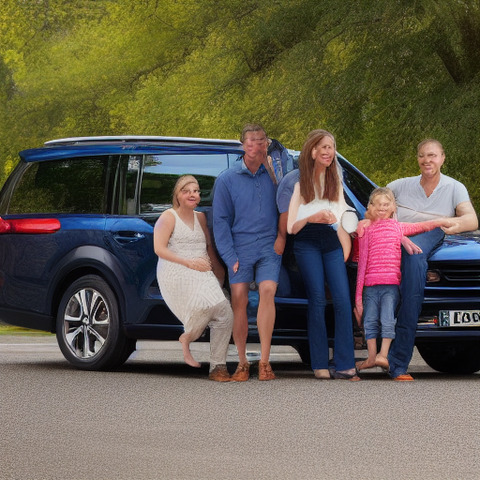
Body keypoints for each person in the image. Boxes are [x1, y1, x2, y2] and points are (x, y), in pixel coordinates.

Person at [386, 139, 478, 381]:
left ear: (442, 158)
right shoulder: (398, 186)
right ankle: (392, 359)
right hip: (399, 236)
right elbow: (376, 210)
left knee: (415, 262)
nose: (427, 160)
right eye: (422, 156)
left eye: (432, 155)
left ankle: (398, 362)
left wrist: (445, 225)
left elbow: (471, 220)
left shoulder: (454, 187)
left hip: (430, 235)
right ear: (417, 159)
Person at [354, 187, 455, 371]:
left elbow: (421, 227)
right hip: (370, 285)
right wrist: (358, 298)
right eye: (378, 205)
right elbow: (362, 263)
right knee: (368, 321)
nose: (382, 208)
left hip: (391, 286)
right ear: (371, 207)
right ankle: (371, 357)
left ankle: (383, 355)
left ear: (393, 207)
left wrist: (440, 221)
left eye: (386, 205)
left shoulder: (397, 227)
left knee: (387, 320)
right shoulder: (366, 229)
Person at [287, 129, 359, 381]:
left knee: (342, 300)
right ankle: (319, 363)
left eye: (331, 147)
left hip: (331, 243)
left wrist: (346, 249)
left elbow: (342, 218)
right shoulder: (299, 184)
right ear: (313, 152)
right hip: (306, 243)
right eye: (324, 147)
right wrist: (313, 217)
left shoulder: (335, 182)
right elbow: (291, 227)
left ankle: (345, 364)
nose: (329, 152)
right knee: (317, 300)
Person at [213, 123, 282, 381]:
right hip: (239, 245)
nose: (257, 145)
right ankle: (242, 362)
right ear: (242, 145)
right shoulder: (227, 179)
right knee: (239, 296)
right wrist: (230, 257)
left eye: (262, 140)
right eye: (251, 141)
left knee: (267, 290)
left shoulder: (276, 175)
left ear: (267, 144)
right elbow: (220, 223)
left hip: (269, 245)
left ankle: (265, 362)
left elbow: (287, 208)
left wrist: (281, 238)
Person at [154, 175, 234, 382]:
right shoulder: (168, 217)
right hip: (175, 270)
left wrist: (218, 273)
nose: (192, 194)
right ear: (178, 195)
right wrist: (189, 263)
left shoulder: (201, 218)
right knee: (205, 306)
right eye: (186, 190)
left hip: (202, 270)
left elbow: (207, 247)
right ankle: (188, 337)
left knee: (225, 312)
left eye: (196, 191)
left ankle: (218, 367)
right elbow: (159, 249)